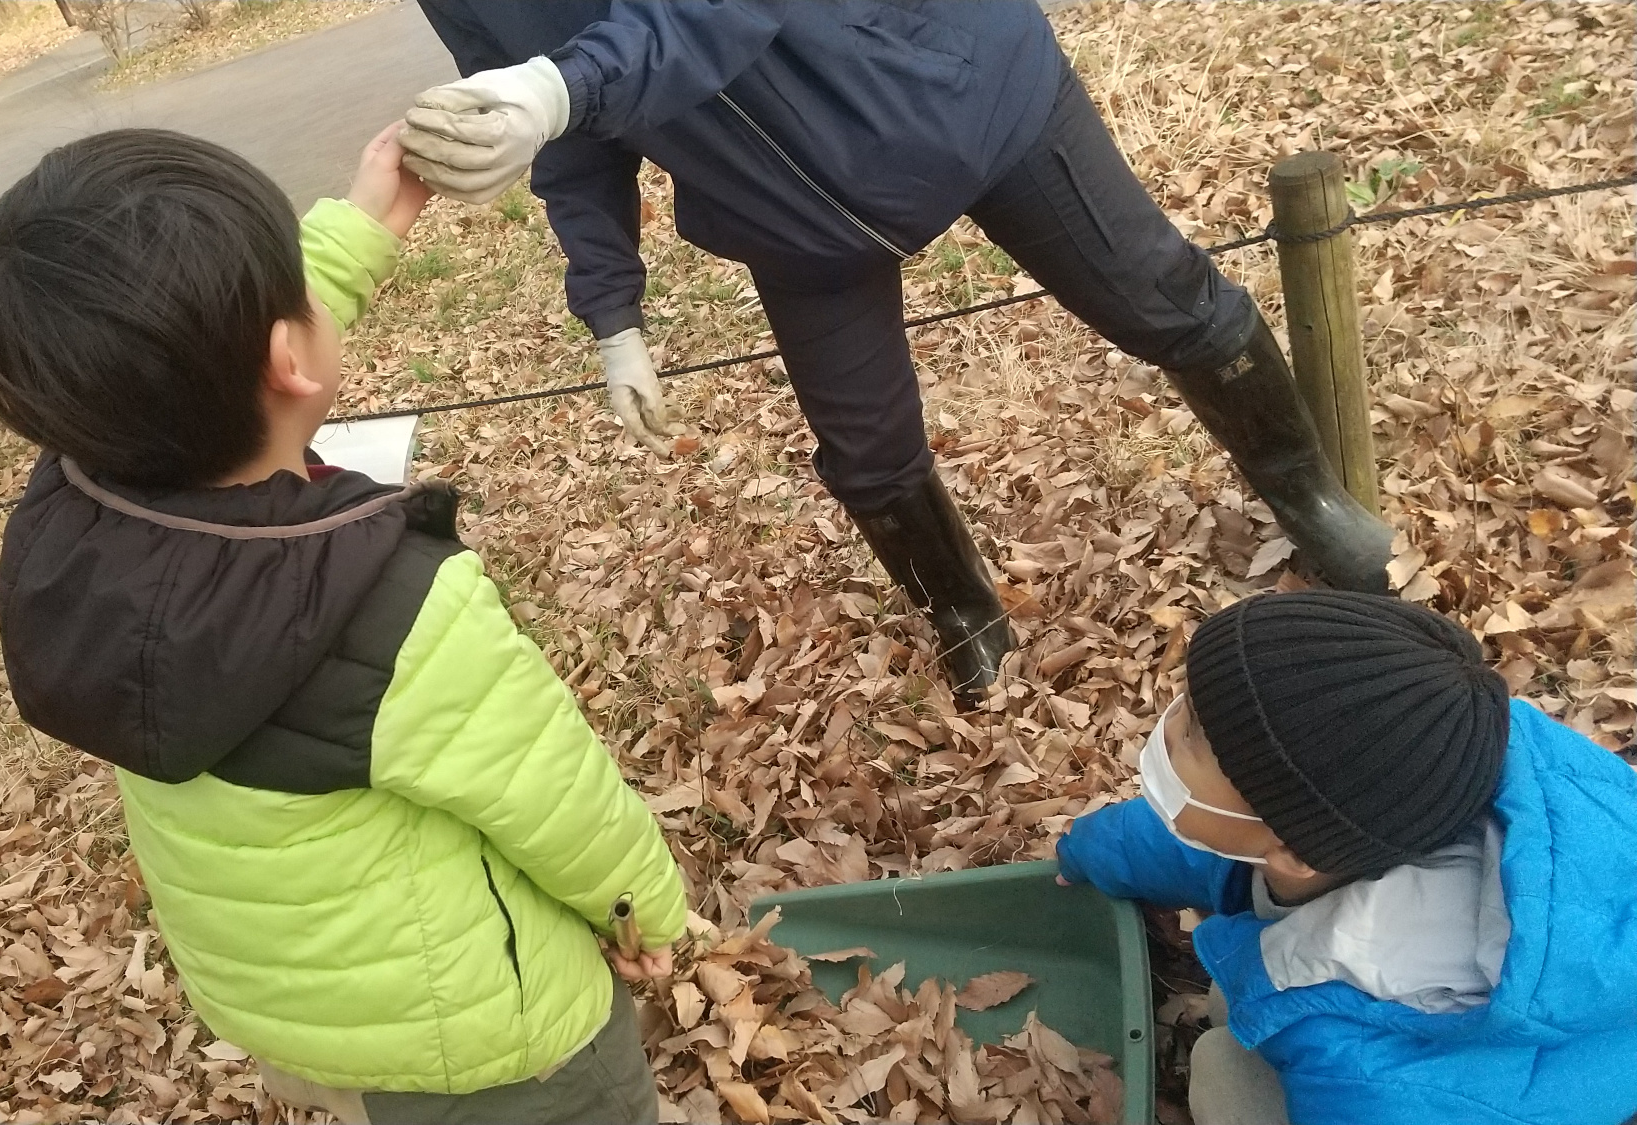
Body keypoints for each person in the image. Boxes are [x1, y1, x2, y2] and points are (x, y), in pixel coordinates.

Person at [0, 125, 685, 1125]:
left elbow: (200, 355)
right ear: (285, 353)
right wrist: (646, 913)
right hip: (493, 1046)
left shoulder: (70, 515)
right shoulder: (394, 609)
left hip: (314, 1016)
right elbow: (557, 803)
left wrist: (366, 219)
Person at [396, 0, 1395, 702]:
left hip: (960, 85)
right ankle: (964, 615)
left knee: (1160, 301)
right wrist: (612, 313)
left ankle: (1306, 497)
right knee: (865, 450)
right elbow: (568, 140)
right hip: (781, 210)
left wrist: (560, 84)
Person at [1054, 590, 1637, 1125]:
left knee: (1222, 1070)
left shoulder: (1372, 1081)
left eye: (1193, 737)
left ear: (1291, 852)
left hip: (1472, 1080)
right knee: (1236, 995)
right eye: (1189, 706)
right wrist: (1085, 852)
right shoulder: (1420, 755)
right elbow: (1187, 848)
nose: (1168, 724)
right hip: (1567, 978)